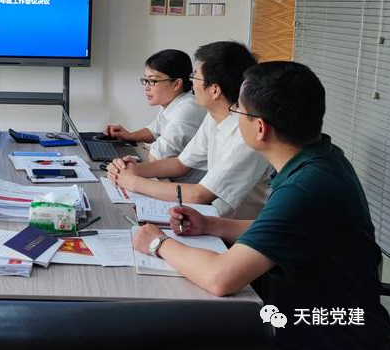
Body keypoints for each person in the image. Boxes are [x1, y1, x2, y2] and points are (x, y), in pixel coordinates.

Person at [133, 61, 390, 349]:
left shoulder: (305, 187)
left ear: (260, 127)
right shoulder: (322, 158)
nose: (233, 114)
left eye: (238, 110)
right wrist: (212, 225)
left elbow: (220, 278)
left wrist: (158, 243)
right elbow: (284, 229)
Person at [108, 41, 271, 218]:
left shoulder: (246, 133)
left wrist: (133, 182)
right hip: (211, 217)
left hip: (235, 227)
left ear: (215, 90)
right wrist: (133, 169)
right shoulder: (214, 117)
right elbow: (180, 164)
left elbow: (199, 195)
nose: (191, 80)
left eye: (195, 76)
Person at [103, 49, 206, 181]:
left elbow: (157, 157)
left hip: (186, 186)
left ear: (176, 84)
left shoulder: (188, 108)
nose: (146, 87)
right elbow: (154, 130)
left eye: (152, 81)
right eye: (145, 80)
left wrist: (133, 165)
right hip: (168, 179)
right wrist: (129, 136)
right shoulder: (173, 103)